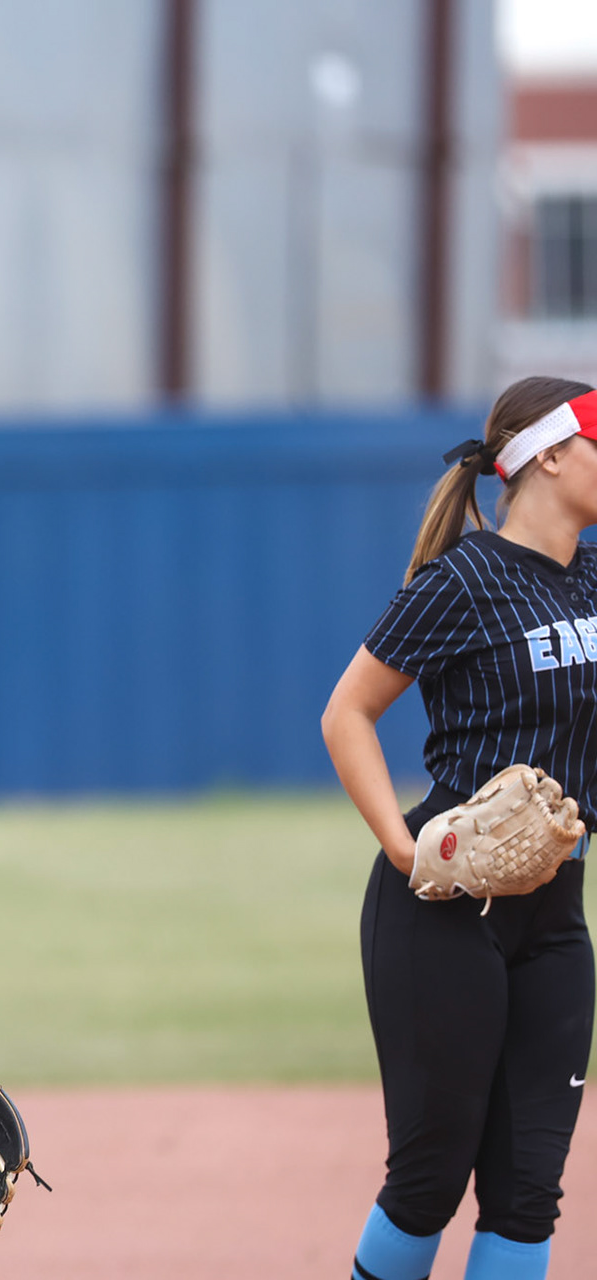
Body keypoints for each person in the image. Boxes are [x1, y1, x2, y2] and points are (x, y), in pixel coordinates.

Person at [323, 376, 597, 1280]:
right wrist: (405, 851)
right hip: (445, 909)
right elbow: (346, 715)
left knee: (528, 1190)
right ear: (550, 456)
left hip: (556, 919)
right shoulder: (466, 579)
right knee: (431, 1178)